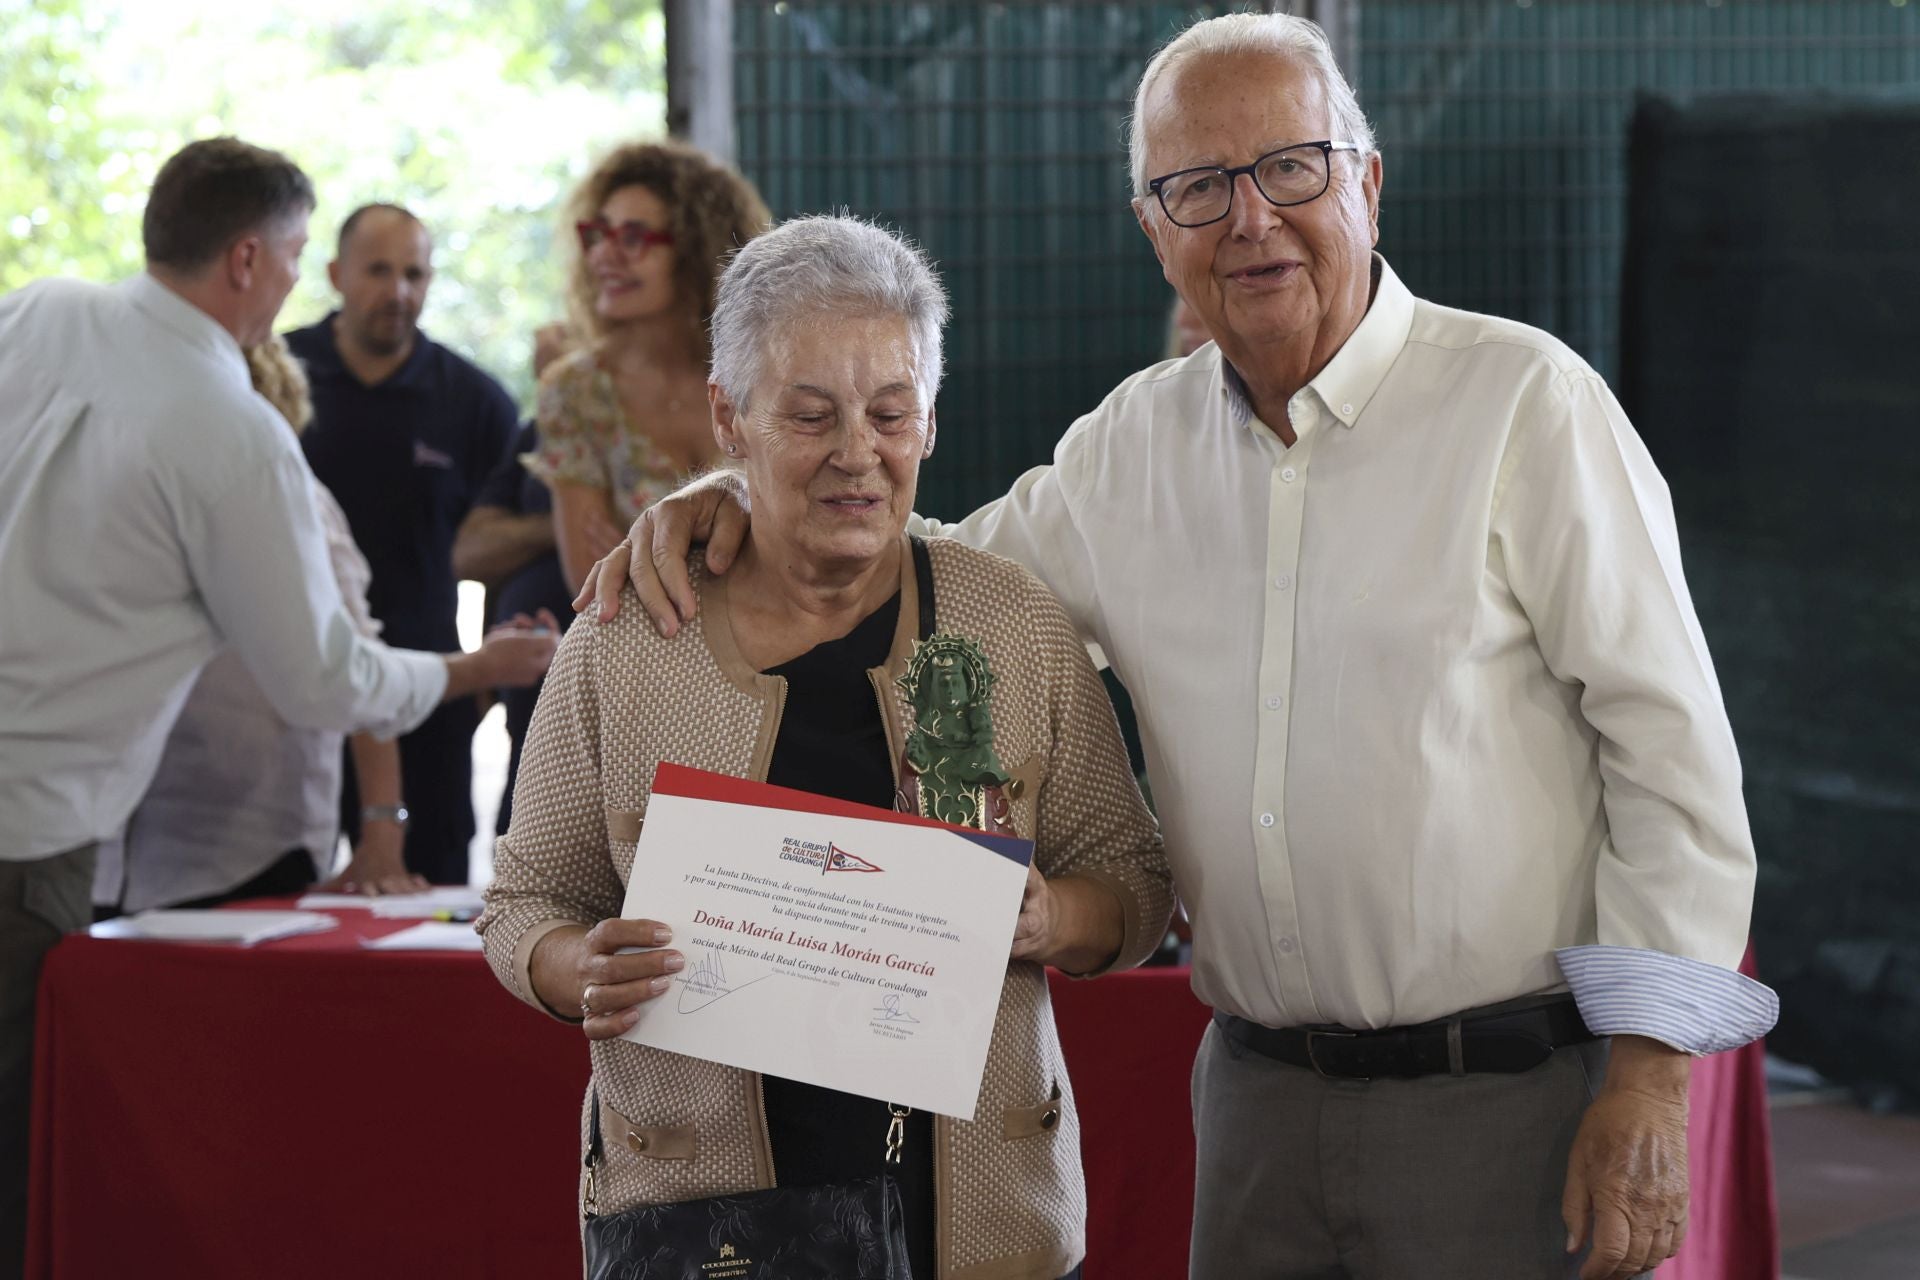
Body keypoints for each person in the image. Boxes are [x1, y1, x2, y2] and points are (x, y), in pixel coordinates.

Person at [584, 14, 1779, 1280]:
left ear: (1367, 181)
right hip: (1259, 1103)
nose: (1250, 218)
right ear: (1153, 228)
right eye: (1196, 187)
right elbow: (931, 572)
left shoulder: (1526, 407)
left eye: (1291, 167)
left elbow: (1673, 753)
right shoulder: (1132, 447)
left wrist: (1651, 1079)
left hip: (1508, 1099)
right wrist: (738, 499)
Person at [477, 216, 1173, 1280]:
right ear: (730, 414)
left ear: (930, 422)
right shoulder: (626, 639)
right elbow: (523, 896)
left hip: (982, 1221)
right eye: (811, 415)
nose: (858, 452)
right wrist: (573, 965)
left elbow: (1135, 879)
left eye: (891, 412)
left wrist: (1056, 915)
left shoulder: (1013, 623)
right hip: (702, 1228)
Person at [0, 137, 555, 1278]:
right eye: (304, 257)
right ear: (250, 258)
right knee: (20, 1132)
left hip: (94, 817)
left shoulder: (36, 311)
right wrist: (472, 670)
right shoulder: (229, 425)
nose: (300, 284)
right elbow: (326, 678)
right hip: (34, 824)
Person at [289, 204, 521, 886]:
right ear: (335, 273)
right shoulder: (277, 377)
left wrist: (486, 679)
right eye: (378, 271)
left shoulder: (475, 403)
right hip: (296, 697)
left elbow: (506, 551)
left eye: (414, 274)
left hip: (428, 697)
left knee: (430, 908)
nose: (397, 292)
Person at [524, 141, 770, 591]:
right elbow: (595, 588)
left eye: (634, 238)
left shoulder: (764, 370)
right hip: (642, 653)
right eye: (599, 234)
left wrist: (642, 554)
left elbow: (808, 554)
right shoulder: (576, 391)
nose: (602, 255)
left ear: (698, 253)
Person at [452, 323, 579, 834]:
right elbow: (470, 553)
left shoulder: (656, 435)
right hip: (527, 737)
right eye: (543, 382)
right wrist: (564, 520)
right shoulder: (532, 437)